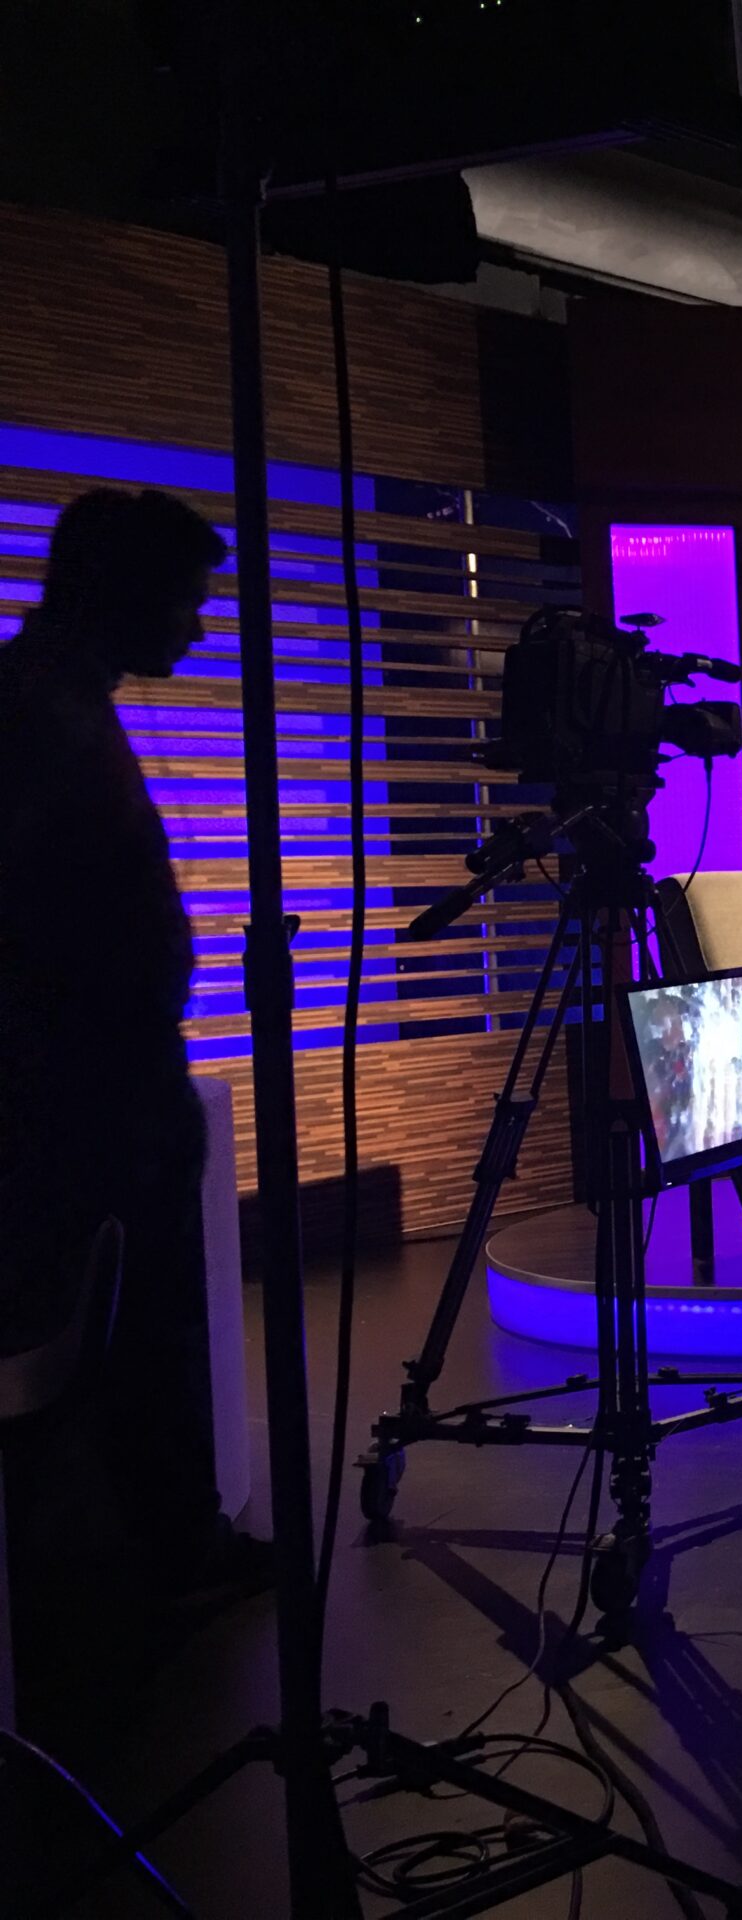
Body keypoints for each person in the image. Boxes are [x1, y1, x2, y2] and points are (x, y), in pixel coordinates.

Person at [0, 487, 258, 1653]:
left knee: (131, 1331)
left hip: (102, 1083)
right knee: (128, 1335)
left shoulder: (50, 700)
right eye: (189, 598)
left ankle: (156, 1547)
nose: (200, 627)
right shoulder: (41, 714)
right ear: (130, 587)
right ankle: (157, 1556)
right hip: (85, 1094)